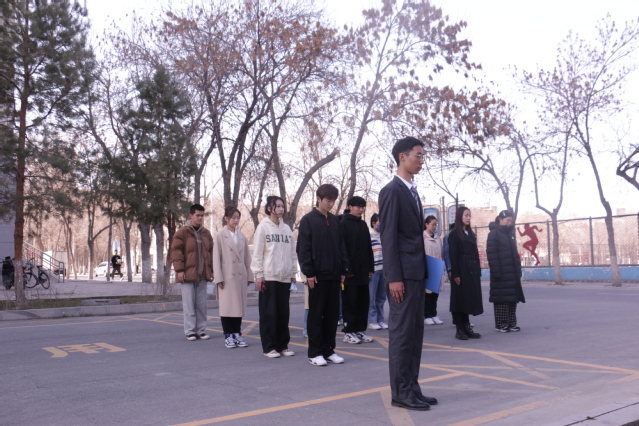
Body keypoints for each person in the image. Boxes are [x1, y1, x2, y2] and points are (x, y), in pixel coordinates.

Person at [378, 137, 437, 411]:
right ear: (402, 157)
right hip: (401, 276)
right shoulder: (391, 191)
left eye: (423, 156)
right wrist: (394, 277)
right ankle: (401, 392)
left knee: (415, 333)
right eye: (418, 155)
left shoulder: (413, 191)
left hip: (416, 273)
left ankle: (412, 387)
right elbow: (388, 236)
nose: (422, 160)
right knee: (402, 334)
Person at [297, 183, 349, 367]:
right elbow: (303, 249)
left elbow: (341, 246)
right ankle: (315, 352)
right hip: (317, 276)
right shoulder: (308, 220)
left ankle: (329, 350)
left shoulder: (335, 221)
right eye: (328, 200)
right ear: (318, 199)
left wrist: (343, 269)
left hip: (334, 275)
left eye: (333, 200)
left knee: (332, 316)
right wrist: (309, 272)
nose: (331, 203)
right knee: (316, 315)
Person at [251, 196, 298, 359]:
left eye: (282, 206)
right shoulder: (263, 227)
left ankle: (283, 345)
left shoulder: (287, 229)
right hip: (269, 277)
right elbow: (257, 253)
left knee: (283, 314)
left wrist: (293, 273)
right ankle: (269, 347)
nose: (281, 209)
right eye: (277, 206)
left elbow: (292, 253)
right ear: (269, 208)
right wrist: (258, 274)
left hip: (284, 277)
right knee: (269, 314)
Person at [171, 204, 214, 341]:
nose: (200, 218)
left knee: (201, 305)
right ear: (191, 216)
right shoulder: (182, 232)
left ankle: (201, 330)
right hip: (187, 275)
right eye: (197, 215)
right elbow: (176, 252)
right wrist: (180, 270)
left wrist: (211, 270)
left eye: (202, 215)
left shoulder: (206, 233)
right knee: (189, 305)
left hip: (202, 275)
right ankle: (190, 331)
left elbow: (211, 252)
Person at [213, 206, 255, 349]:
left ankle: (237, 333)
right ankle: (228, 335)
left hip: (240, 275)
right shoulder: (220, 235)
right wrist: (218, 277)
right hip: (227, 275)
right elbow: (216, 258)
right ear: (226, 218)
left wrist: (249, 275)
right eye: (233, 218)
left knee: (238, 306)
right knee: (226, 306)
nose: (235, 220)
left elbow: (247, 257)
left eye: (237, 218)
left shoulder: (241, 236)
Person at [340, 196, 375, 344]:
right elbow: (342, 249)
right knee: (350, 302)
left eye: (362, 207)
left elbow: (368, 247)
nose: (361, 210)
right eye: (358, 207)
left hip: (363, 272)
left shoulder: (362, 224)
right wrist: (346, 269)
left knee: (363, 302)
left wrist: (370, 267)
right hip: (350, 273)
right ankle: (349, 332)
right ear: (350, 207)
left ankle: (360, 330)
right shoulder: (343, 224)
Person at [487, 210, 525, 332]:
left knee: (512, 298)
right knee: (501, 299)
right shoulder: (494, 234)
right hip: (501, 273)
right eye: (507, 220)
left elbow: (515, 254)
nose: (509, 223)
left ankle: (511, 323)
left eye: (510, 221)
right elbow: (491, 254)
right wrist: (496, 271)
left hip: (512, 272)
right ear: (500, 219)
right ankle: (501, 324)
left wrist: (518, 270)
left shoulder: (510, 234)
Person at [448, 206, 483, 341]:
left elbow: (475, 253)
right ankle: (459, 328)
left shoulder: (470, 233)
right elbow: (453, 255)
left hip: (471, 270)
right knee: (459, 300)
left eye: (469, 215)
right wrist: (456, 274)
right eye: (466, 215)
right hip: (461, 270)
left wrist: (478, 270)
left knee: (467, 299)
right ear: (460, 216)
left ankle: (467, 327)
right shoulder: (454, 234)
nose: (468, 218)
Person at [423, 216, 444, 326]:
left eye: (436, 225)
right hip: (427, 267)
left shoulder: (438, 238)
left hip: (437, 267)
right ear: (426, 224)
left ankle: (434, 314)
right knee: (427, 294)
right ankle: (427, 315)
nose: (434, 227)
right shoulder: (423, 237)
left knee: (435, 294)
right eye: (432, 225)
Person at [368, 213, 388, 331]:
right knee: (372, 297)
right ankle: (372, 320)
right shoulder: (369, 236)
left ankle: (380, 319)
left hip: (383, 270)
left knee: (381, 297)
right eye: (380, 222)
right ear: (373, 223)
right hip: (374, 270)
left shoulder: (383, 236)